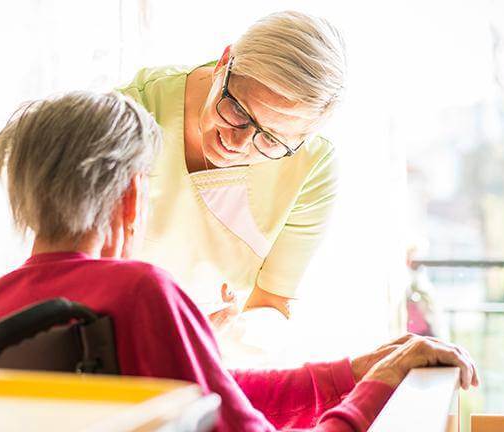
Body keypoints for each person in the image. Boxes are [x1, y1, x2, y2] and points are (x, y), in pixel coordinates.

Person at [0, 91, 480, 431]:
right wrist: (377, 391)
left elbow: (211, 394)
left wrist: (348, 376)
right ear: (131, 195)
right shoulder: (139, 291)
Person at [118, 11, 347, 325]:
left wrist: (229, 330)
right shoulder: (131, 115)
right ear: (224, 62)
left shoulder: (310, 166)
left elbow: (273, 302)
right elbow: (67, 269)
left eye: (270, 139)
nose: (238, 144)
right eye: (238, 111)